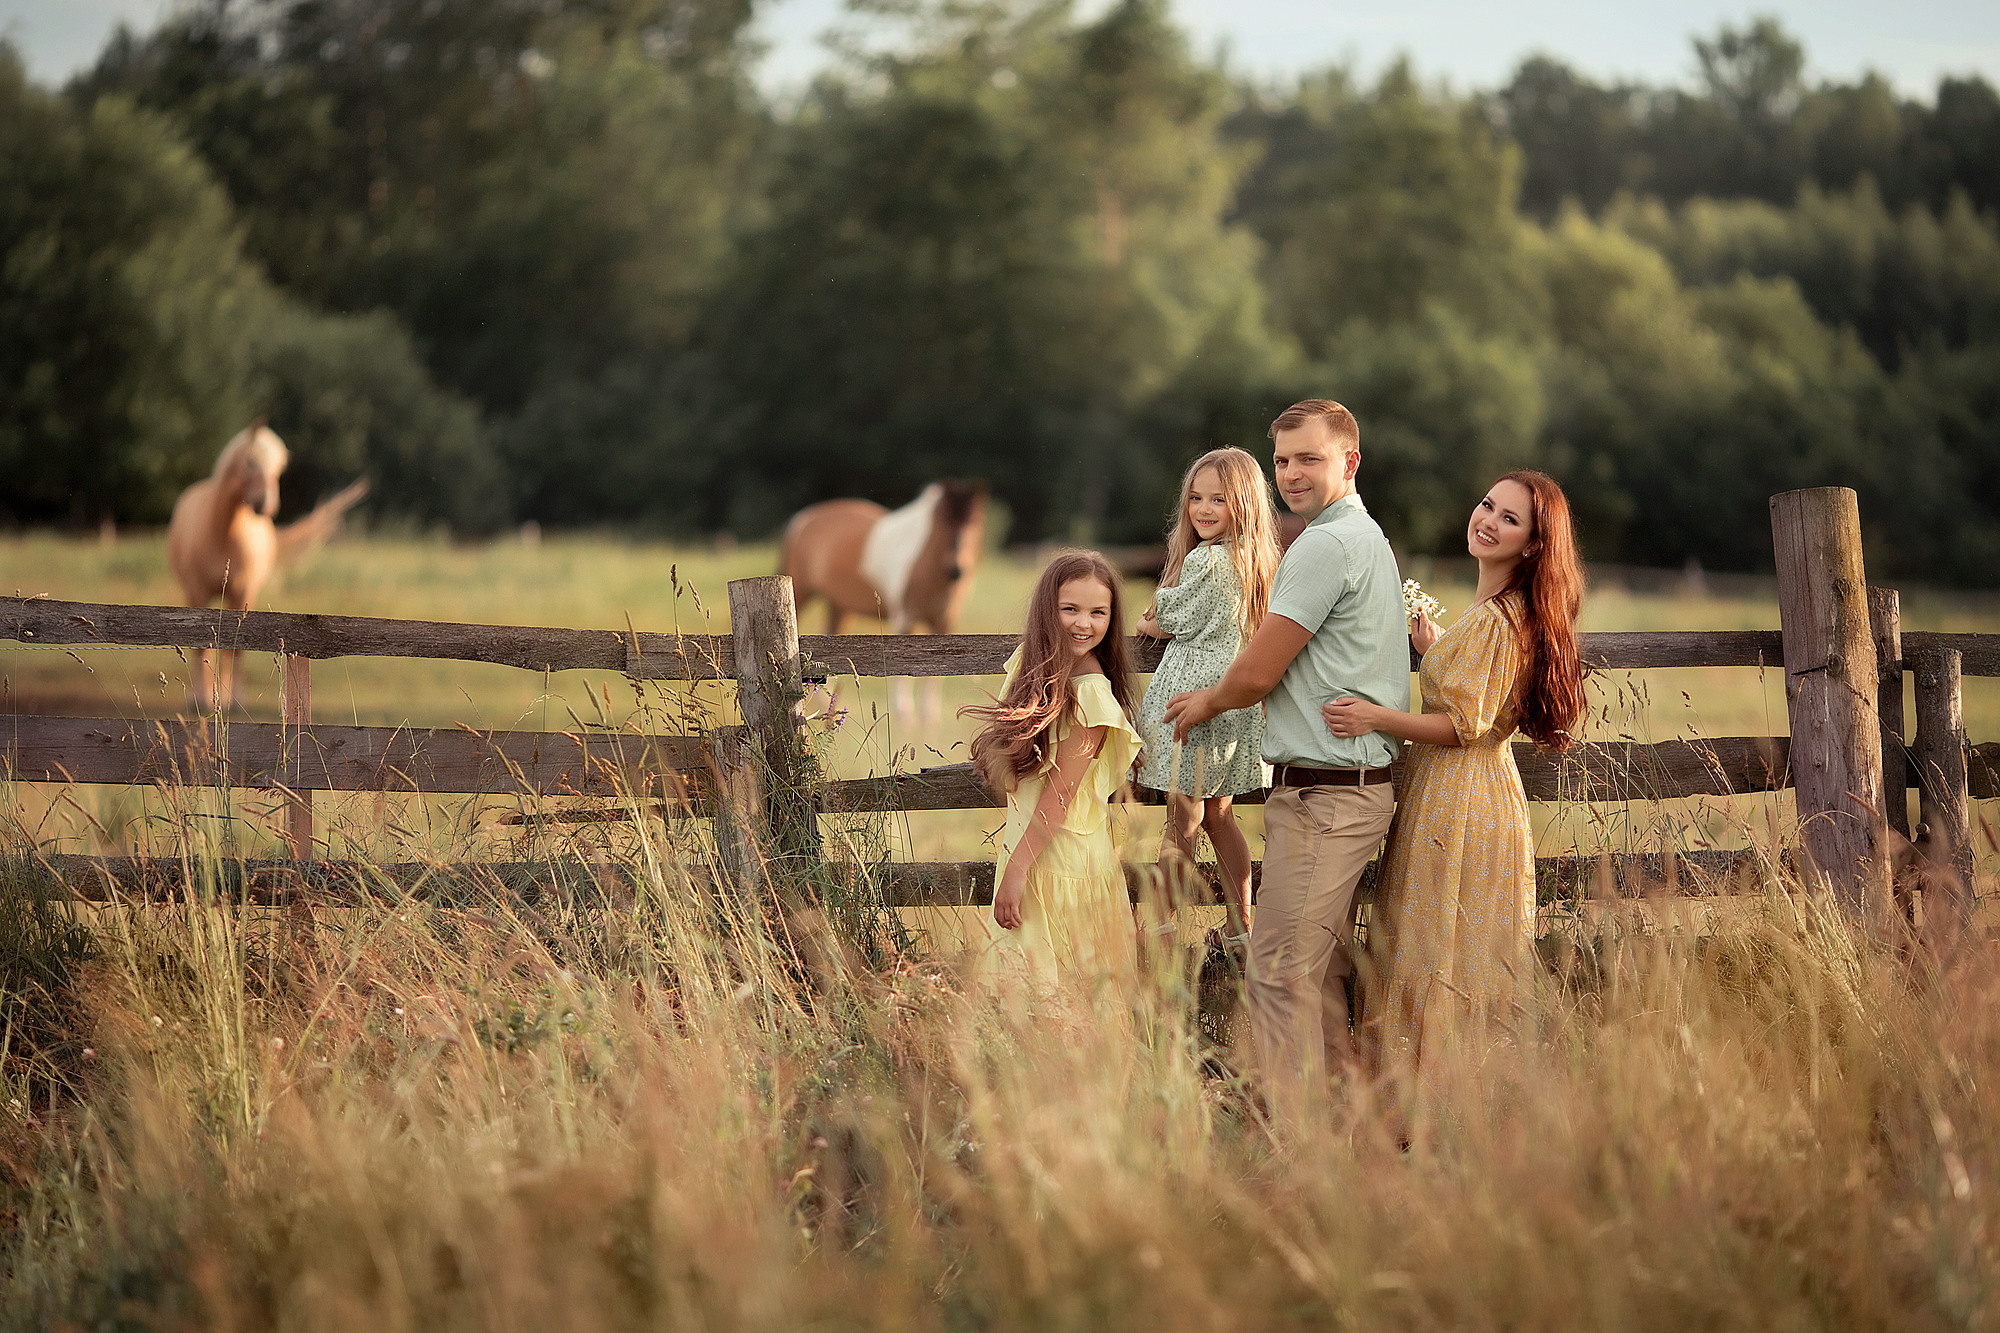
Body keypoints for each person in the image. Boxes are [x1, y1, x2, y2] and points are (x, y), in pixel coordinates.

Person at [1164, 400, 1409, 1119]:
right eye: (1282, 460)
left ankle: (1297, 1150)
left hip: (1329, 795)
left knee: (1277, 973)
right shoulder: (1361, 537)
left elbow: (1257, 671)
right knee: (1319, 973)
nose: (1292, 474)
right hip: (1332, 791)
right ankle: (1353, 1135)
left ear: (1350, 461)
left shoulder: (1326, 546)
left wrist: (1204, 701)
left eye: (1310, 457)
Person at [1320, 471, 1585, 1098]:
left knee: (1436, 951)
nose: (1488, 520)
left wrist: (1375, 716)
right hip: (1460, 792)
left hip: (1462, 800)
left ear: (1533, 545)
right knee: (1430, 946)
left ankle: (1428, 1106)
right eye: (1488, 504)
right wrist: (1437, 649)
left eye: (1510, 519)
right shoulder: (1494, 614)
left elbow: (1465, 724)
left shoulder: (1499, 619)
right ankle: (1423, 1106)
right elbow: (1480, 692)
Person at [965, 550, 1144, 987]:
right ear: (1047, 610)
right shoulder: (1034, 668)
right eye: (1070, 609)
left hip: (1066, 867)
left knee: (1066, 995)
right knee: (1029, 999)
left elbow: (1061, 795)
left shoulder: (1093, 696)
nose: (1084, 623)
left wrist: (1017, 870)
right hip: (1033, 853)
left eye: (1098, 613)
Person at [1134, 447, 1282, 936]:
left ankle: (1160, 926)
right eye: (1196, 498)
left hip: (1195, 703)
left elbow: (1169, 617)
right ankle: (1241, 924)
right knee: (1220, 817)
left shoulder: (1208, 559)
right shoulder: (1257, 559)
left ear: (1243, 503)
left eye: (1218, 499)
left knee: (1182, 822)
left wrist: (1149, 618)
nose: (1203, 509)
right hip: (1234, 701)